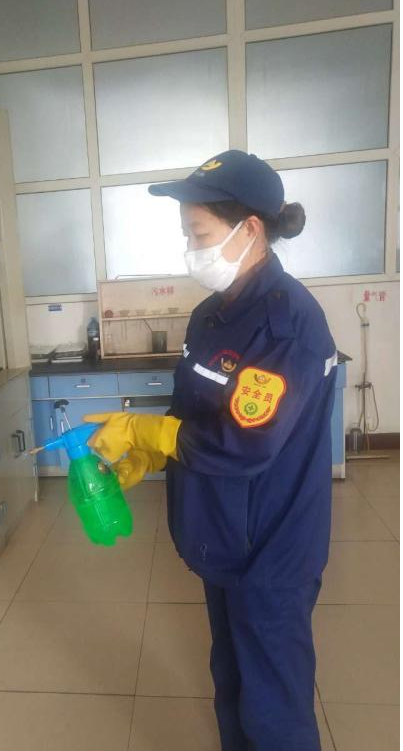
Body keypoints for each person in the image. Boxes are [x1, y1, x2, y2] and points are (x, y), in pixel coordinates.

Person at [85, 149, 337, 751]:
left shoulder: (286, 325)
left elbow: (245, 443)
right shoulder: (210, 317)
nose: (190, 249)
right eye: (186, 234)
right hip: (222, 533)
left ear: (250, 230)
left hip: (269, 546)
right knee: (232, 681)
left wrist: (146, 432)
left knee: (273, 706)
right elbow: (194, 411)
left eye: (199, 235)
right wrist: (151, 453)